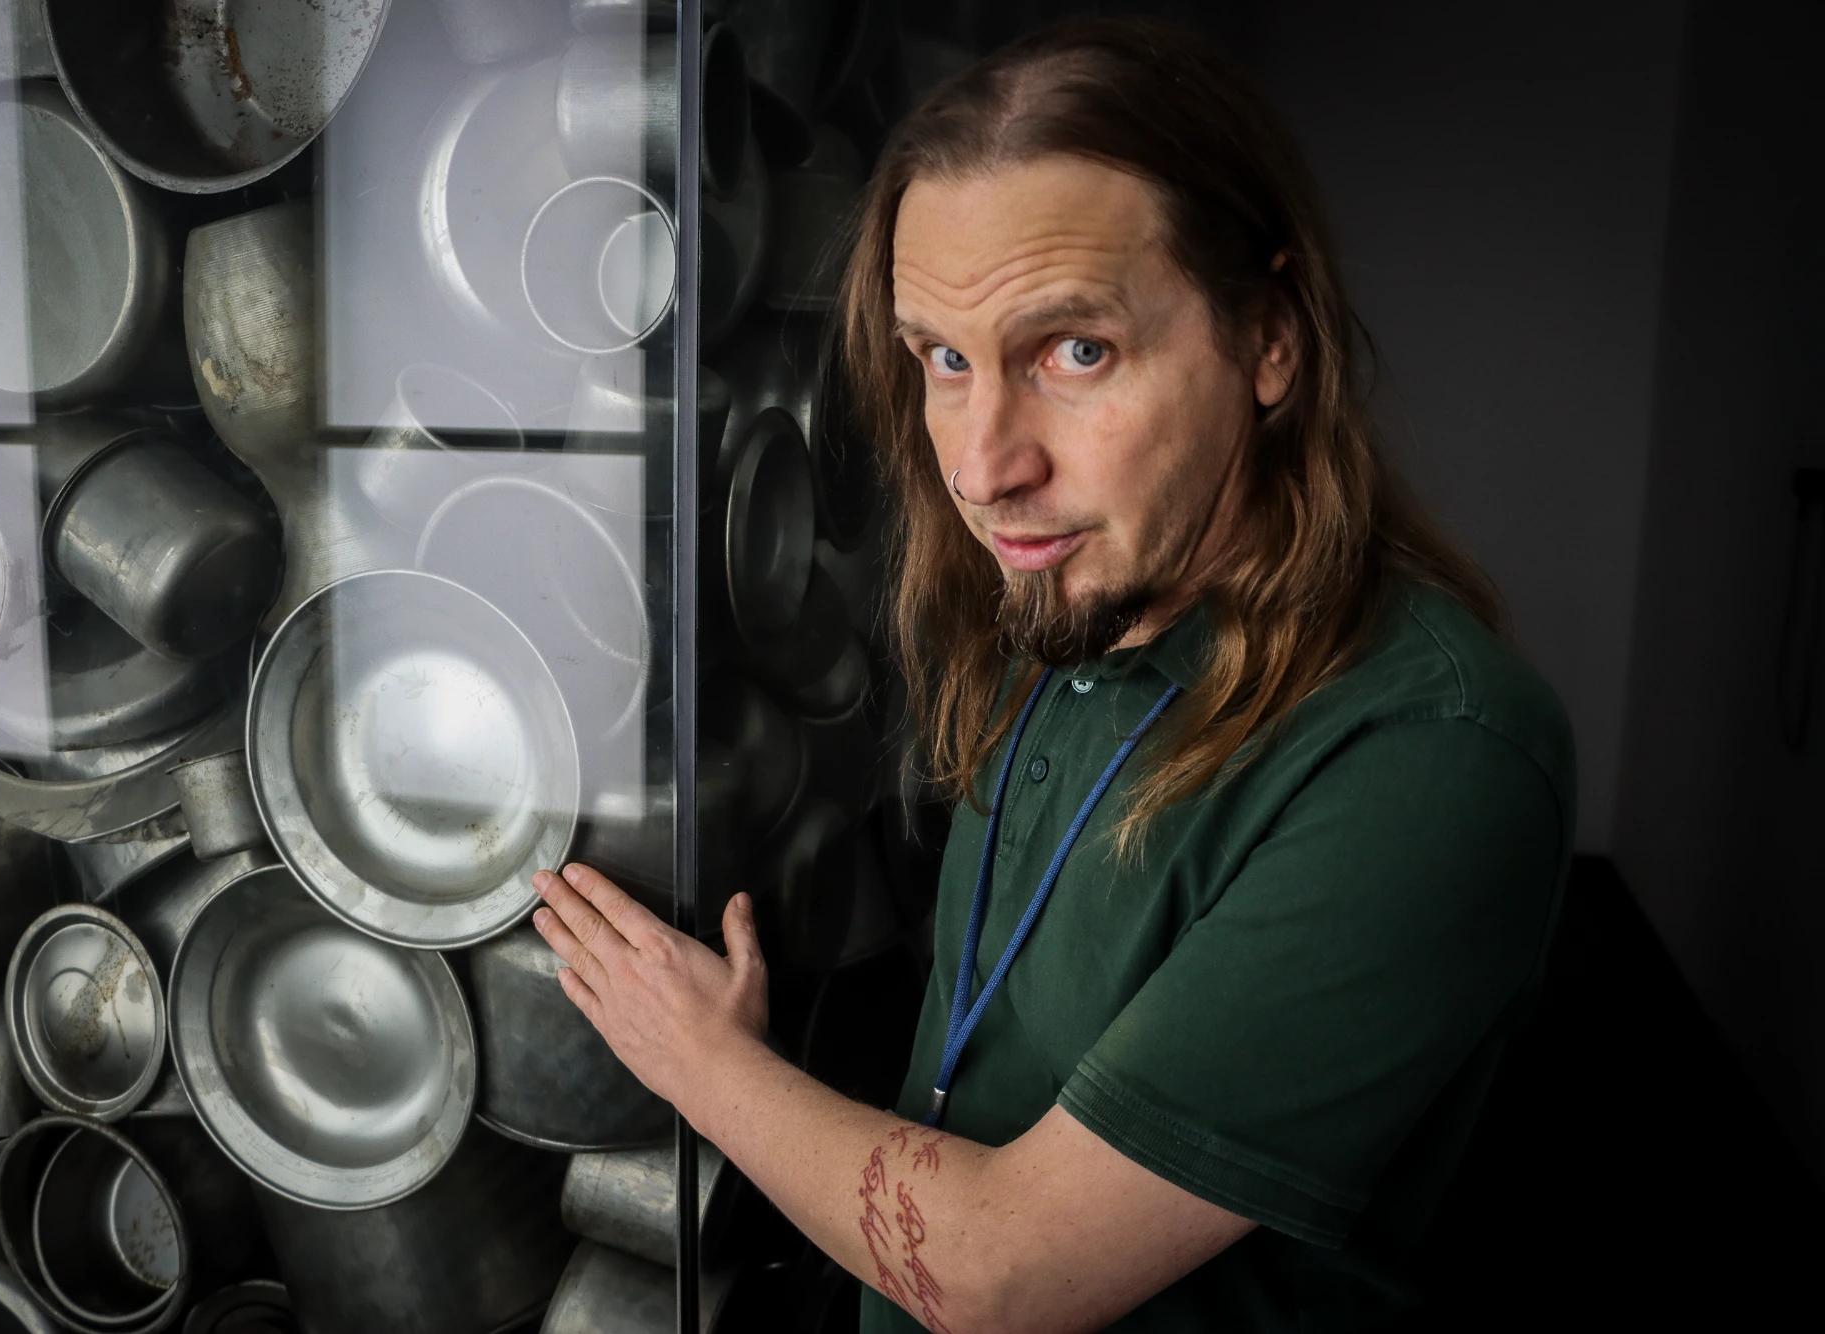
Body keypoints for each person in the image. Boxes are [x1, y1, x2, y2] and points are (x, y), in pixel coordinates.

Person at [530, 16, 1574, 1333]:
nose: (981, 464)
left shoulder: (1431, 752)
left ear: (1270, 340)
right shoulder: (1078, 606)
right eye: (943, 360)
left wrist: (703, 1062)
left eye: (1076, 351)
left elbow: (1001, 1271)